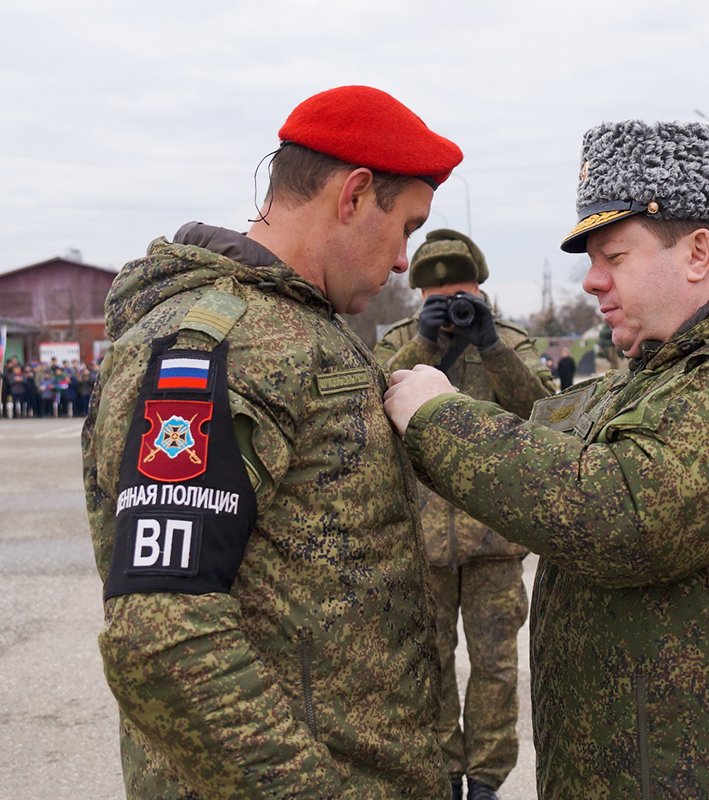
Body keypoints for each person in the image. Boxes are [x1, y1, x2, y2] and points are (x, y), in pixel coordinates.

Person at [384, 119, 709, 797]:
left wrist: (437, 417)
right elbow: (545, 441)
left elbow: (617, 514)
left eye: (613, 256)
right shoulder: (662, 371)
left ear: (698, 253)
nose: (591, 282)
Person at [81, 85, 462, 798]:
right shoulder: (220, 343)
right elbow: (163, 631)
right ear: (352, 196)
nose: (407, 261)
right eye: (407, 227)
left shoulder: (303, 329)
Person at [374, 229, 555, 800]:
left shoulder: (509, 342)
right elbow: (368, 410)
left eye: (462, 294)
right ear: (419, 298)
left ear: (480, 290)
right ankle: (444, 773)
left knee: (497, 667)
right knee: (429, 663)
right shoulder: (401, 342)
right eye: (438, 298)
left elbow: (545, 414)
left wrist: (492, 346)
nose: (452, 306)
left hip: (494, 539)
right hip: (421, 541)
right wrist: (425, 345)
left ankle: (484, 779)